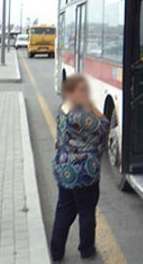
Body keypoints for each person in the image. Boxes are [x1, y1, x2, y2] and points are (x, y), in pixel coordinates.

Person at [50, 74, 110, 261]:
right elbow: (104, 126)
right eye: (82, 90)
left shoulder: (63, 109)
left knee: (64, 210)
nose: (86, 94)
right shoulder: (82, 115)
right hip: (83, 170)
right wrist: (92, 106)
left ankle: (56, 251)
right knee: (86, 211)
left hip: (64, 168)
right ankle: (86, 249)